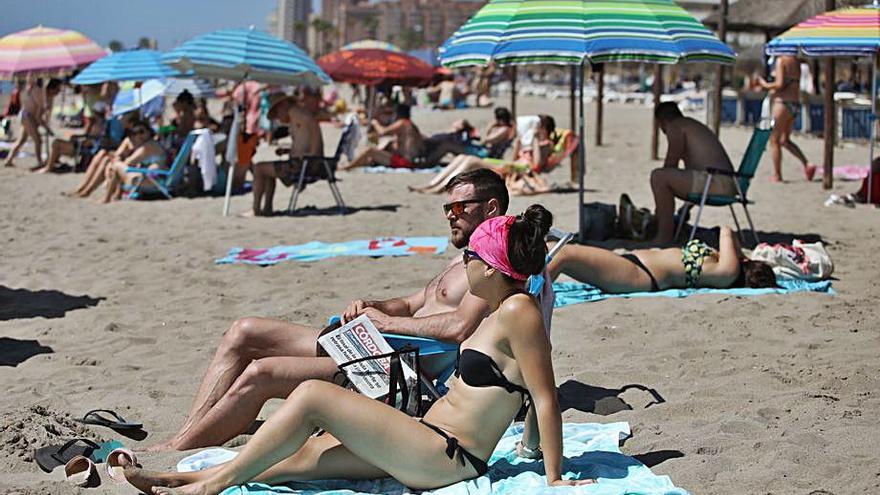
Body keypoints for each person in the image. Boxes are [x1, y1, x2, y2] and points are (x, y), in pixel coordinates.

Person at [125, 205, 592, 495]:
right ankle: (187, 480)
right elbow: (527, 394)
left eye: (471, 256)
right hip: (424, 437)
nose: (463, 262)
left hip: (447, 456)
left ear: (491, 269)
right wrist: (530, 447)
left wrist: (553, 476)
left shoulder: (519, 311)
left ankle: (208, 489)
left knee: (311, 395)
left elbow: (545, 396)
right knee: (297, 462)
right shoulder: (499, 309)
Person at [144, 169, 511, 452]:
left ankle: (178, 450)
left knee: (263, 373)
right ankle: (188, 432)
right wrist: (374, 306)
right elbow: (414, 303)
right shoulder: (463, 258)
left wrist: (388, 322)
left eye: (460, 207)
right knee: (244, 331)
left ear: (491, 207)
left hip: (401, 370)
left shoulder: (495, 265)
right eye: (447, 207)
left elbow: (460, 327)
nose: (450, 215)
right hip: (378, 344)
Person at [548, 226, 778, 292]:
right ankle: (523, 290)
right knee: (553, 249)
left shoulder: (727, 272)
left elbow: (726, 230)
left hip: (638, 275)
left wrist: (741, 256)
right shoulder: (724, 269)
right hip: (631, 264)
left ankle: (526, 298)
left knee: (563, 253)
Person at [650, 102, 737, 243]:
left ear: (662, 122)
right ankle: (666, 228)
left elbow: (670, 164)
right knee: (663, 176)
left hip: (717, 182)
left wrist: (659, 212)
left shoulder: (675, 126)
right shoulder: (690, 124)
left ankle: (664, 236)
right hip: (728, 183)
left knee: (659, 177)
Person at [410, 115, 560, 195]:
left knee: (470, 161)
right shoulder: (528, 141)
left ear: (545, 129)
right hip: (513, 166)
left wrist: (534, 140)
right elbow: (514, 159)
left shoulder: (547, 144)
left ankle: (439, 188)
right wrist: (519, 143)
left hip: (520, 170)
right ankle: (432, 185)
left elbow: (537, 165)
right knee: (462, 158)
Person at [250, 91, 325, 216]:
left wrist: (314, 154)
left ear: (283, 105)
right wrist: (288, 151)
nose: (278, 118)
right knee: (266, 171)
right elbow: (305, 140)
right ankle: (267, 208)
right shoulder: (297, 115)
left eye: (277, 112)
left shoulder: (295, 112)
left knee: (259, 168)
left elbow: (314, 126)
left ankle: (256, 210)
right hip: (303, 163)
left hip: (304, 165)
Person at [757, 55, 818, 183]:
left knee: (774, 140)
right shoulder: (796, 61)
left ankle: (777, 175)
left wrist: (765, 85)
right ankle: (807, 164)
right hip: (795, 103)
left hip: (782, 103)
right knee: (785, 140)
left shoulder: (781, 60)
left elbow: (779, 84)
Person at [66, 113, 138, 198]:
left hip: (131, 163)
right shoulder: (128, 136)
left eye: (123, 118)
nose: (120, 120)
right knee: (101, 154)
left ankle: (87, 190)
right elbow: (120, 152)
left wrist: (116, 155)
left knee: (106, 160)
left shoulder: (137, 137)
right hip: (124, 158)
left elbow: (131, 156)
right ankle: (82, 187)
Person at [99, 121, 169, 203]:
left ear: (149, 132)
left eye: (141, 132)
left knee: (117, 166)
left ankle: (107, 198)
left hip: (151, 183)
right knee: (117, 166)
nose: (139, 136)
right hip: (154, 180)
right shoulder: (152, 144)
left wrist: (121, 159)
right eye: (135, 133)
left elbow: (128, 162)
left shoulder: (147, 147)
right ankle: (116, 195)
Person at [342, 103, 425, 171]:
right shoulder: (410, 126)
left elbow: (383, 132)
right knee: (378, 140)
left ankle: (348, 167)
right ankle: (357, 163)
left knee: (370, 151)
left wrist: (375, 123)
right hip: (407, 160)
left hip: (404, 162)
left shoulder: (402, 123)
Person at [3, 78, 62, 169]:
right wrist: (47, 128)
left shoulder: (49, 98)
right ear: (51, 89)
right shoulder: (42, 94)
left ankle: (9, 160)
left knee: (21, 141)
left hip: (29, 117)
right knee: (38, 140)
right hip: (27, 116)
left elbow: (46, 115)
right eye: (57, 89)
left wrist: (46, 124)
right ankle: (40, 162)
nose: (59, 92)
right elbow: (38, 117)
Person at [36, 109, 107, 173]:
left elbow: (89, 142)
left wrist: (77, 140)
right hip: (82, 145)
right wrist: (77, 137)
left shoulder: (97, 126)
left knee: (56, 144)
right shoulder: (99, 124)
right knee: (57, 143)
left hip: (81, 147)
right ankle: (52, 163)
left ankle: (48, 168)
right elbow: (89, 137)